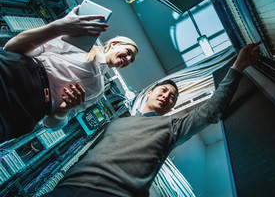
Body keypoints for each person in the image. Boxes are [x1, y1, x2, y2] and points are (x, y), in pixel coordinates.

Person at [42, 42, 261, 197]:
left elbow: (210, 112)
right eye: (164, 90)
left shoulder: (172, 126)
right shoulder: (116, 123)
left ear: (172, 107)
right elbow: (85, 154)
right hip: (67, 189)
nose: (167, 96)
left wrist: (238, 67)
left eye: (172, 98)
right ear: (149, 92)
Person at [0, 5, 139, 142]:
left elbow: (50, 125)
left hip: (26, 112)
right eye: (128, 52)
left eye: (131, 60)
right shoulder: (79, 44)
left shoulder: (98, 91)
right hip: (14, 75)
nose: (127, 59)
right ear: (114, 44)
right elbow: (11, 48)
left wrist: (65, 109)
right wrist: (58, 28)